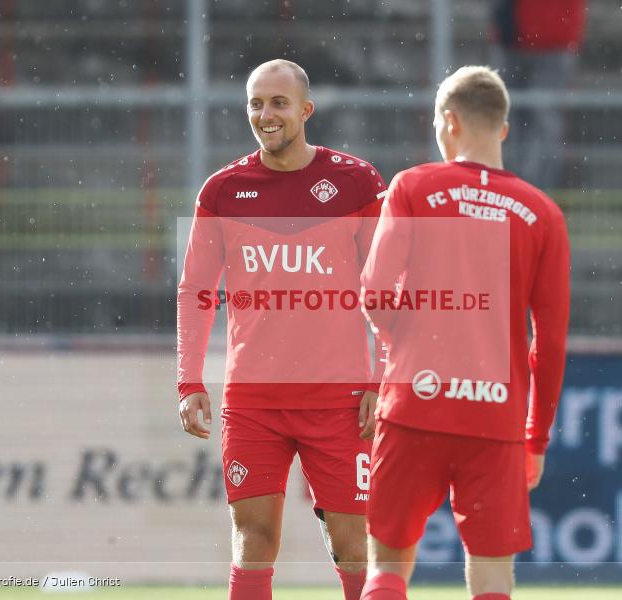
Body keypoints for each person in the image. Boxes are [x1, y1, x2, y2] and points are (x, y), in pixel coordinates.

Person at [177, 59, 387, 600]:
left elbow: (391, 290)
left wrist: (380, 378)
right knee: (253, 538)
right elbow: (196, 290)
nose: (265, 115)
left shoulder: (357, 182)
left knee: (354, 546)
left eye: (278, 103)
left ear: (305, 110)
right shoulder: (222, 191)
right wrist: (190, 380)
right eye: (255, 103)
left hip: (340, 399)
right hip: (253, 400)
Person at [358, 66, 570, 600]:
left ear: (448, 122)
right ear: (503, 129)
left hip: (414, 402)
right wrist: (535, 437)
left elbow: (376, 293)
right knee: (493, 575)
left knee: (386, 565)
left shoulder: (413, 186)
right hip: (494, 414)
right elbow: (550, 341)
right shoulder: (543, 215)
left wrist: (403, 346)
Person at [490, 0, 586, 189]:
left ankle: (534, 191)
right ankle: (507, 188)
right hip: (513, 35)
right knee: (504, 118)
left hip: (551, 40)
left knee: (542, 122)